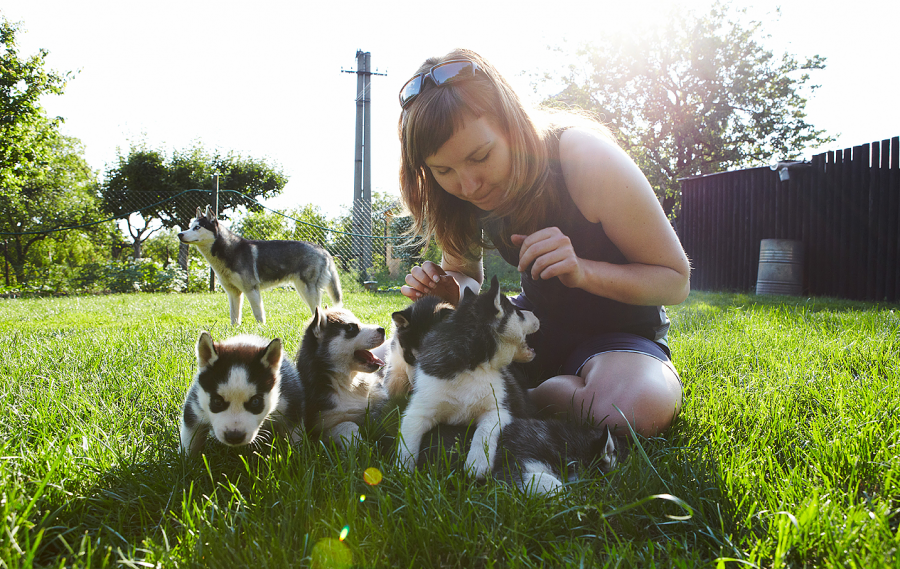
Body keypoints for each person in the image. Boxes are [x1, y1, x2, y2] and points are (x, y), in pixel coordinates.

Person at [396, 49, 690, 437]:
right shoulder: (456, 196)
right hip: (530, 327)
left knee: (633, 410)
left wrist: (584, 272)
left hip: (620, 332)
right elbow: (465, 274)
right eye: (443, 170)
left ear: (511, 124)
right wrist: (450, 292)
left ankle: (522, 398)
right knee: (410, 363)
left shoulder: (582, 157)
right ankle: (516, 394)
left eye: (481, 156)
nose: (468, 185)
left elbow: (674, 280)